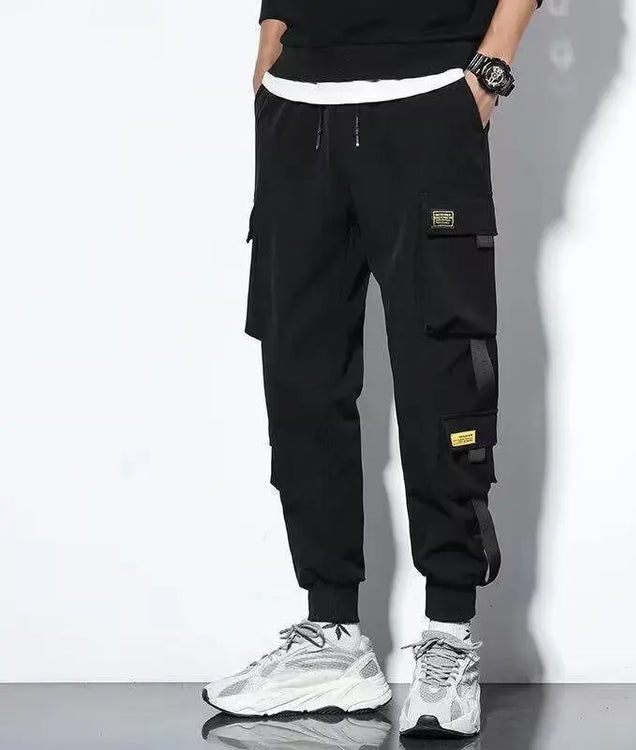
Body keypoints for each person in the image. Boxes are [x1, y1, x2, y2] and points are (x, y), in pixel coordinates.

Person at [204, 0, 542, 738]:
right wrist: (272, 36)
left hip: (428, 100)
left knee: (443, 377)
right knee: (300, 378)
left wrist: (491, 67)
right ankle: (331, 637)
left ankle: (448, 635)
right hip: (297, 107)